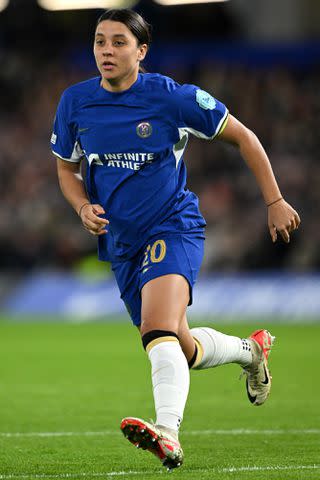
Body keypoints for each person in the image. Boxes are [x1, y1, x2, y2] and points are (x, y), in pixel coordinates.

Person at [51, 9, 301, 471]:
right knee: (178, 344)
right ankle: (251, 352)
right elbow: (66, 168)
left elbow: (245, 137)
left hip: (173, 227)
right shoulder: (75, 103)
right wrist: (82, 206)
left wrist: (275, 200)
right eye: (100, 41)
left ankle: (168, 432)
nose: (106, 50)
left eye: (118, 42)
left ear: (141, 51)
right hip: (123, 244)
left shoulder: (174, 98)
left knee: (157, 331)